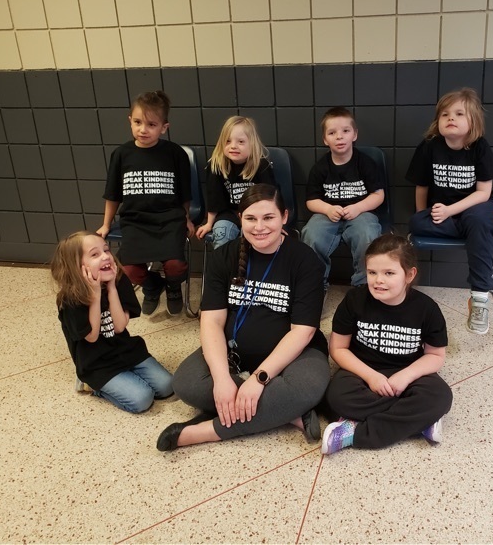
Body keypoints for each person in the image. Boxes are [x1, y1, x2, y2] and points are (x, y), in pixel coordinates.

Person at [157, 184, 330, 451]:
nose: (259, 227)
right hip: (235, 354)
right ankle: (287, 412)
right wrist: (223, 379)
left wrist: (259, 379)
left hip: (294, 356)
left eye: (268, 217)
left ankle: (203, 430)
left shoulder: (306, 261)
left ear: (284, 217)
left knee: (307, 387)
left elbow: (303, 332)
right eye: (250, 218)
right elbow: (212, 322)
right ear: (240, 219)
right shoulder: (223, 256)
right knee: (185, 383)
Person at [321, 234, 453, 454]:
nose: (378, 280)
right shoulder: (354, 300)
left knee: (440, 396)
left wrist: (406, 376)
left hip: (408, 373)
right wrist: (371, 376)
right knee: (336, 397)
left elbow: (436, 356)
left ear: (409, 275)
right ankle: (419, 422)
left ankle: (354, 432)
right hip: (362, 371)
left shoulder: (427, 309)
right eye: (372, 272)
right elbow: (338, 348)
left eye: (389, 273)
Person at [406, 87, 493, 335]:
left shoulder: (479, 147)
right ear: (438, 121)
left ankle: (479, 298)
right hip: (447, 213)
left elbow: (483, 193)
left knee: (477, 218)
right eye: (445, 114)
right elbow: (421, 187)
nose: (451, 118)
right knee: (416, 223)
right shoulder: (429, 146)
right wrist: (425, 217)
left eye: (458, 114)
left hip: (478, 206)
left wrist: (448, 211)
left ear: (473, 121)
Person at [51, 231, 174, 413]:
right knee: (142, 400)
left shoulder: (117, 278)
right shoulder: (71, 299)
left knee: (167, 386)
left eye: (106, 251)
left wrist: (111, 288)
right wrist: (95, 294)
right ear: (77, 266)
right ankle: (92, 386)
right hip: (96, 364)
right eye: (95, 254)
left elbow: (119, 326)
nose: (106, 257)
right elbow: (92, 336)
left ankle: (125, 378)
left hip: (124, 350)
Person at [97, 90, 194, 316]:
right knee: (129, 271)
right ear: (130, 121)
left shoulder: (175, 153)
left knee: (175, 265)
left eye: (151, 124)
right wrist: (106, 224)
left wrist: (186, 217)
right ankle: (153, 287)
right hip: (136, 221)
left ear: (164, 127)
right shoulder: (121, 154)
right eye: (138, 122)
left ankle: (172, 287)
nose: (143, 129)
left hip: (169, 218)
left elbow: (184, 194)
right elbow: (113, 194)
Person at [301, 107, 384, 295]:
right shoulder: (320, 167)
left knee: (368, 234)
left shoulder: (366, 163)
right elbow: (311, 201)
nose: (339, 137)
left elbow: (378, 195)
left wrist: (358, 208)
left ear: (354, 134)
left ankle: (364, 288)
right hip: (328, 215)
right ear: (325, 139)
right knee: (311, 234)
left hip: (361, 213)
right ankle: (314, 288)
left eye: (345, 131)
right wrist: (327, 209)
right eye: (332, 133)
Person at [195, 116, 276, 249]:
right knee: (221, 235)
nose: (233, 146)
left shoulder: (261, 166)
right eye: (227, 141)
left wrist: (275, 225)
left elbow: (271, 198)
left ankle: (252, 269)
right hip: (229, 214)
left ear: (252, 143)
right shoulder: (216, 166)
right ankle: (225, 269)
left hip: (256, 215)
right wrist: (209, 224)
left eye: (241, 142)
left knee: (255, 241)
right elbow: (214, 198)